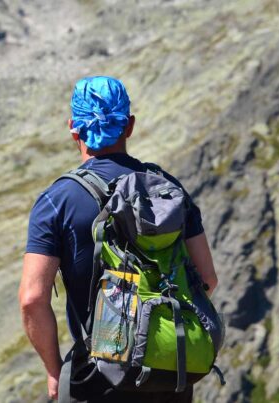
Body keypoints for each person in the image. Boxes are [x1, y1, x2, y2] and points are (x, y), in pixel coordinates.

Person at [19, 76, 219, 402]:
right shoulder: (167, 189)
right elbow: (207, 279)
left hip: (95, 378)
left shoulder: (58, 200)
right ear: (129, 126)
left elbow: (32, 298)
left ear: (74, 129)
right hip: (170, 375)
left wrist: (55, 371)